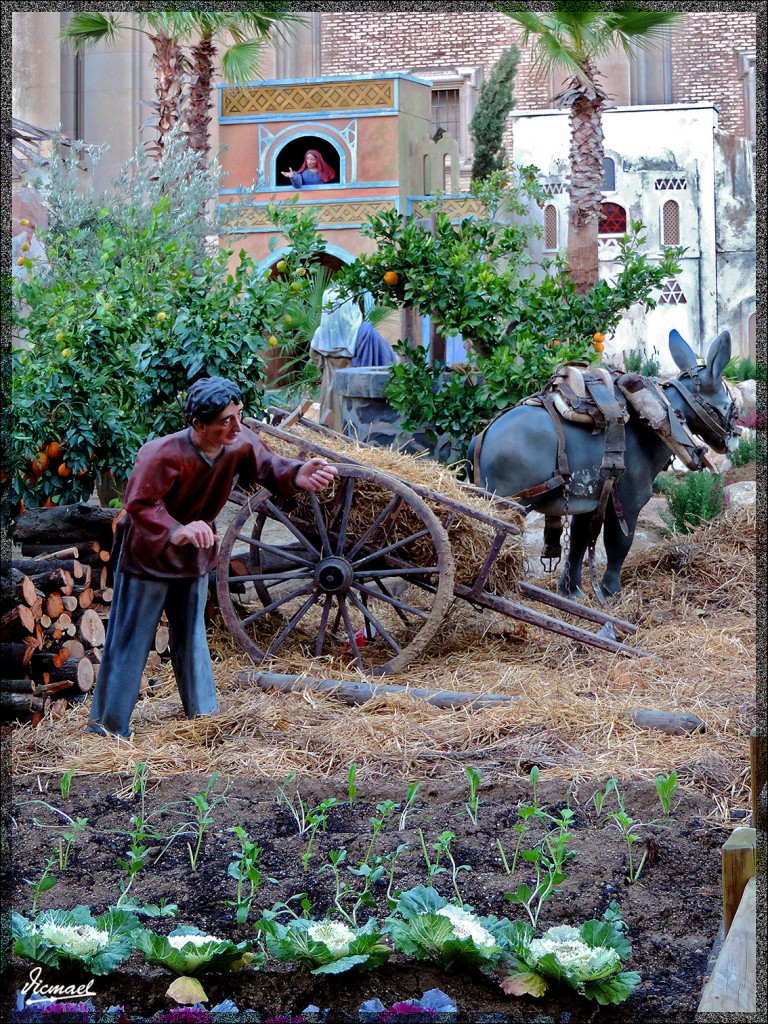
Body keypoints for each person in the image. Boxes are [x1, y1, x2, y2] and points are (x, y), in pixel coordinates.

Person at [86, 376, 337, 739]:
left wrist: (299, 473)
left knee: (191, 634)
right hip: (149, 556)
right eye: (226, 420)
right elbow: (140, 504)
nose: (237, 426)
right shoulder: (160, 453)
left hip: (196, 555)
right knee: (131, 638)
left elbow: (269, 466)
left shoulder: (238, 444)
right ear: (199, 425)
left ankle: (204, 718)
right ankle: (108, 727)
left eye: (239, 415)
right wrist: (176, 530)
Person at [309, 288, 396, 430]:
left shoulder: (320, 333)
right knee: (355, 433)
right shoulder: (365, 332)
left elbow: (316, 359)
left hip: (331, 390)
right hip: (356, 393)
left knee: (333, 431)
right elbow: (387, 361)